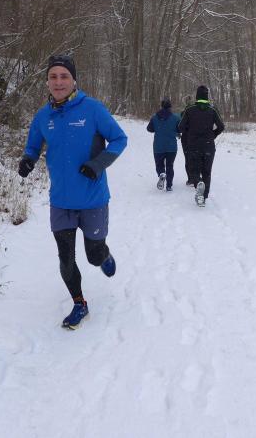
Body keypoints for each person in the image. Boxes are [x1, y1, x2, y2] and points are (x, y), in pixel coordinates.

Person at [18, 54, 128, 329]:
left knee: (93, 255)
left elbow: (119, 139)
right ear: (47, 82)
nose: (58, 82)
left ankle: (104, 256)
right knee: (65, 257)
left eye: (64, 76)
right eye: (53, 77)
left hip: (93, 199)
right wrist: (28, 159)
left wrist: (97, 164)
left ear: (74, 80)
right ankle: (80, 304)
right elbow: (33, 145)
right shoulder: (43, 116)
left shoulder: (92, 109)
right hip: (61, 201)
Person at [178, 85, 225, 207]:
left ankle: (198, 183)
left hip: (193, 145)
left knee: (194, 169)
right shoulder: (212, 110)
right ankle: (203, 197)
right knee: (207, 172)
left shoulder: (190, 109)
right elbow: (221, 126)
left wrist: (190, 132)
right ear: (207, 96)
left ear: (197, 96)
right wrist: (213, 134)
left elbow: (180, 127)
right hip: (208, 145)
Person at [146, 99, 181, 191]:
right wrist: (175, 132)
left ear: (161, 106)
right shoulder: (176, 118)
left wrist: (158, 128)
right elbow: (180, 129)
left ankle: (161, 173)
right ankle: (169, 186)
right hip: (171, 147)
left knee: (159, 164)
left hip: (158, 146)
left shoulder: (155, 117)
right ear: (170, 107)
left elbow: (149, 129)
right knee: (170, 165)